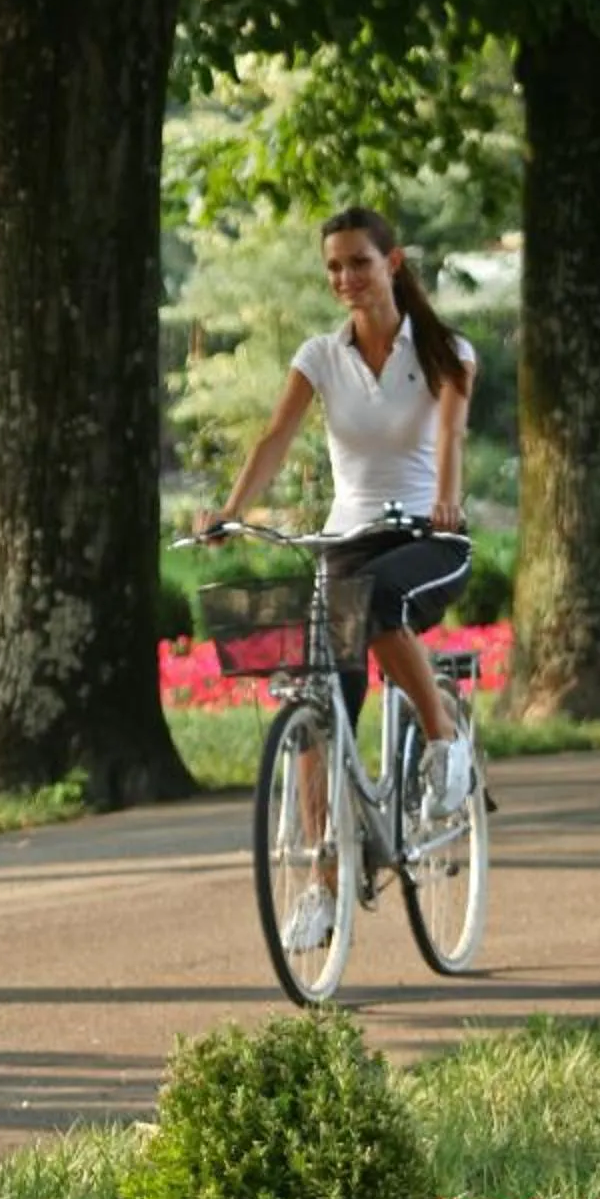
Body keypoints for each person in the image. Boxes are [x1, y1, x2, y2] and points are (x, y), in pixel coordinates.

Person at [198, 208, 477, 877]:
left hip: (426, 537)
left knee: (379, 603)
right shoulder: (320, 357)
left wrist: (446, 500)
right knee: (322, 698)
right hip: (345, 541)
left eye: (359, 262)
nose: (345, 277)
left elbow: (450, 436)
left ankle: (443, 741)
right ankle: (323, 877)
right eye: (334, 266)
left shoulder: (446, 349)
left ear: (393, 263)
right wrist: (231, 509)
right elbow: (275, 439)